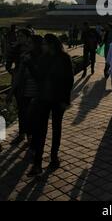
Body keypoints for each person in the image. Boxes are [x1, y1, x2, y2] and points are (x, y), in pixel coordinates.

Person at [28, 34, 74, 177]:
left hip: (58, 99)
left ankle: (54, 156)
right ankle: (37, 164)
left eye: (44, 44)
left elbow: (69, 80)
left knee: (56, 128)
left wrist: (65, 100)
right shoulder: (43, 58)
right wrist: (29, 65)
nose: (42, 47)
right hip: (43, 98)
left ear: (52, 44)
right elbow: (38, 77)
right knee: (40, 130)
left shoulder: (64, 58)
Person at [7, 34, 43, 147]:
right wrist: (11, 92)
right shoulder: (25, 57)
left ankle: (32, 141)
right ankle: (25, 136)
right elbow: (18, 75)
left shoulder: (44, 58)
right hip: (24, 92)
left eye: (30, 43)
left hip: (39, 94)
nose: (27, 45)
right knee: (23, 114)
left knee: (35, 119)